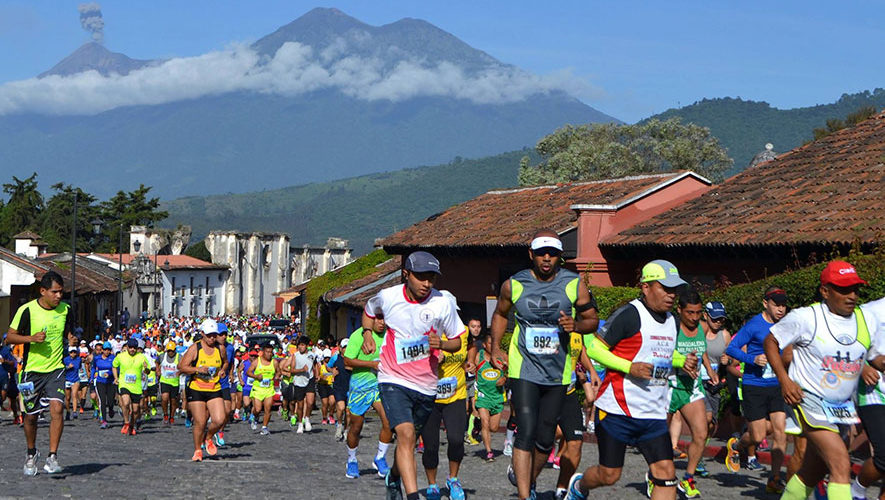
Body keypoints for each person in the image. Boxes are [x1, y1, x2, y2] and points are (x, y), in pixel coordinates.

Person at [567, 259, 698, 500]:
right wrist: (629, 368)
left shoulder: (673, 321)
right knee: (609, 475)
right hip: (617, 411)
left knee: (666, 474)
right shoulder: (630, 314)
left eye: (675, 289)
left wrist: (682, 361)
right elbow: (595, 348)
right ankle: (579, 486)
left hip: (653, 414)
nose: (672, 295)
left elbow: (660, 354)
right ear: (646, 287)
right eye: (665, 288)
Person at [488, 231, 599, 500]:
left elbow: (592, 320)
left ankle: (528, 480)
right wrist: (496, 347)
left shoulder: (574, 284)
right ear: (531, 254)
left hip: (557, 372)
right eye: (541, 253)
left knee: (546, 439)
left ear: (560, 256)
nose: (546, 258)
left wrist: (576, 325)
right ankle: (525, 495)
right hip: (523, 366)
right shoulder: (514, 284)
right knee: (525, 430)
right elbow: (501, 314)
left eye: (552, 253)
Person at [765, 261, 883, 500]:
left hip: (841, 407)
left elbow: (874, 358)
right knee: (840, 463)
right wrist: (784, 380)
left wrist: (873, 364)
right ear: (825, 291)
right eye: (844, 289)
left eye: (855, 289)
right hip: (808, 400)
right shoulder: (806, 317)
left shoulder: (866, 319)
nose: (852, 296)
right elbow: (771, 341)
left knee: (813, 471)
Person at [358, 250, 466, 500]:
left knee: (408, 442)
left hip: (426, 386)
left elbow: (457, 341)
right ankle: (413, 495)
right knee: (406, 434)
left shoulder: (443, 303)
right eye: (421, 277)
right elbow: (369, 312)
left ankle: (394, 476)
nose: (427, 283)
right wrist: (367, 334)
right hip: (393, 379)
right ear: (406, 274)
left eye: (432, 278)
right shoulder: (388, 296)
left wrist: (441, 344)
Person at [5, 271, 74, 475]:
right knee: (31, 417)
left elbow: (68, 331)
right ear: (43, 291)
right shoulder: (26, 310)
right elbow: (9, 338)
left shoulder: (66, 310)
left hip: (56, 369)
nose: (59, 296)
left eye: (61, 292)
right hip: (32, 371)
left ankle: (52, 457)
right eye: (55, 292)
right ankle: (31, 452)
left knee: (57, 408)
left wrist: (71, 339)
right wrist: (31, 339)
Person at [724, 286, 789, 493]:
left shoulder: (786, 325)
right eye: (776, 304)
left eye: (784, 305)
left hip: (776, 385)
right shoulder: (754, 325)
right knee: (757, 435)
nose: (781, 309)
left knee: (780, 431)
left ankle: (774, 478)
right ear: (765, 303)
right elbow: (731, 348)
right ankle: (736, 446)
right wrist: (752, 359)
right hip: (754, 386)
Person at [665, 289, 714, 498]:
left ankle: (688, 479)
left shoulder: (703, 327)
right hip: (668, 386)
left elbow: (702, 350)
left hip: (692, 388)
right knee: (658, 437)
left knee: (701, 434)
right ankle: (655, 474)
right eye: (690, 313)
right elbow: (659, 352)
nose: (694, 317)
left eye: (698, 312)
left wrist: (709, 369)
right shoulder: (671, 328)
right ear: (679, 310)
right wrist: (680, 362)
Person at [420, 307, 470, 500]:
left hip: (456, 394)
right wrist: (431, 358)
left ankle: (453, 479)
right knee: (431, 445)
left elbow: (464, 355)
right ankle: (432, 485)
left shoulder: (463, 332)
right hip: (429, 396)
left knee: (457, 440)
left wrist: (468, 364)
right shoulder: (425, 332)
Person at [343, 317, 393, 479]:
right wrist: (371, 365)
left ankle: (380, 457)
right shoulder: (358, 335)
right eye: (378, 319)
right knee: (356, 427)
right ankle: (351, 460)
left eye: (384, 319)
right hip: (360, 387)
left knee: (388, 421)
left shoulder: (389, 335)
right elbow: (347, 361)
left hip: (379, 386)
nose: (382, 322)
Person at [179, 320, 229, 461]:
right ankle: (197, 451)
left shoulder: (220, 348)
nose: (212, 338)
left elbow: (225, 362)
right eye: (209, 335)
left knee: (220, 419)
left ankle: (208, 437)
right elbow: (182, 367)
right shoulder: (195, 348)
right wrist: (197, 369)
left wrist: (223, 370)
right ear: (202, 334)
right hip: (197, 388)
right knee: (200, 422)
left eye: (214, 335)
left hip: (214, 388)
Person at [855, 295, 885, 499]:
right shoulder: (869, 311)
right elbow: (848, 343)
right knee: (883, 456)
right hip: (874, 391)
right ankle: (856, 490)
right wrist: (863, 366)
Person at [700, 302, 731, 449]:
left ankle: (700, 446)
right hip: (698, 381)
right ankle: (698, 450)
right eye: (715, 318)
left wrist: (727, 360)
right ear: (705, 315)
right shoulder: (699, 332)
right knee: (704, 418)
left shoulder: (724, 335)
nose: (718, 322)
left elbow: (732, 359)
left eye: (721, 319)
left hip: (714, 383)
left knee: (712, 423)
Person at [475, 333, 507, 463]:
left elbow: (511, 371)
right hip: (483, 396)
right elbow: (470, 367)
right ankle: (489, 452)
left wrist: (505, 378)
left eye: (494, 343)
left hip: (497, 397)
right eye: (489, 343)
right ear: (484, 345)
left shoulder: (502, 356)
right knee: (485, 422)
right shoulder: (479, 356)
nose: (492, 346)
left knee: (494, 428)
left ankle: (477, 425)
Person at [112, 338, 150, 435]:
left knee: (136, 410)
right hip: (124, 384)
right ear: (127, 347)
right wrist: (116, 378)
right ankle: (126, 423)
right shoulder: (121, 356)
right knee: (125, 403)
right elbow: (114, 366)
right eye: (130, 347)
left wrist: (146, 369)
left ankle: (131, 425)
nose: (132, 349)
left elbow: (148, 371)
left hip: (136, 386)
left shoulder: (141, 357)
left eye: (134, 348)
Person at [247, 342, 279, 435]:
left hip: (269, 389)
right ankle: (254, 416)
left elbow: (278, 372)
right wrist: (256, 376)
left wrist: (277, 376)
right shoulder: (257, 361)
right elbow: (248, 372)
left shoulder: (274, 362)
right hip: (257, 389)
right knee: (257, 409)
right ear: (263, 352)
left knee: (268, 409)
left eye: (271, 352)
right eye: (267, 352)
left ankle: (264, 427)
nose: (269, 354)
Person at [329, 338, 351, 441]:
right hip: (339, 386)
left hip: (350, 387)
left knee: (348, 412)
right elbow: (328, 366)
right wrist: (332, 370)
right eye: (345, 347)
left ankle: (346, 430)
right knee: (341, 408)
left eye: (348, 347)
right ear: (340, 348)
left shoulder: (352, 358)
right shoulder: (335, 357)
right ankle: (339, 425)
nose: (346, 349)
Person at [93, 341, 116, 428]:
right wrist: (91, 378)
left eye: (108, 350)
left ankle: (111, 409)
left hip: (110, 382)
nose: (107, 351)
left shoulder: (113, 358)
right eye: (105, 349)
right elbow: (94, 368)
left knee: (110, 401)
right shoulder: (97, 358)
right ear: (102, 350)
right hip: (100, 382)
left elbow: (116, 369)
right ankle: (104, 421)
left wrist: (109, 374)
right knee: (102, 401)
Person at [158, 340, 181, 425]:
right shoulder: (162, 356)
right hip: (164, 380)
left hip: (174, 382)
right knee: (164, 398)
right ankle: (165, 415)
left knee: (173, 400)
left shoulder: (179, 357)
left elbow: (183, 366)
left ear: (175, 350)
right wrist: (158, 370)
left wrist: (180, 371)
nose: (170, 353)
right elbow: (156, 362)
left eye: (172, 351)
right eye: (169, 351)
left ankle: (172, 416)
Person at [64, 347, 82, 420]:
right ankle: (68, 411)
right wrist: (68, 367)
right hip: (67, 379)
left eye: (74, 352)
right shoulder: (65, 360)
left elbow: (80, 367)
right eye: (72, 352)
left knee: (74, 395)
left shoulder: (79, 359)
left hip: (75, 379)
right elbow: (62, 369)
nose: (73, 354)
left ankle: (74, 411)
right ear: (69, 353)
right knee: (68, 398)